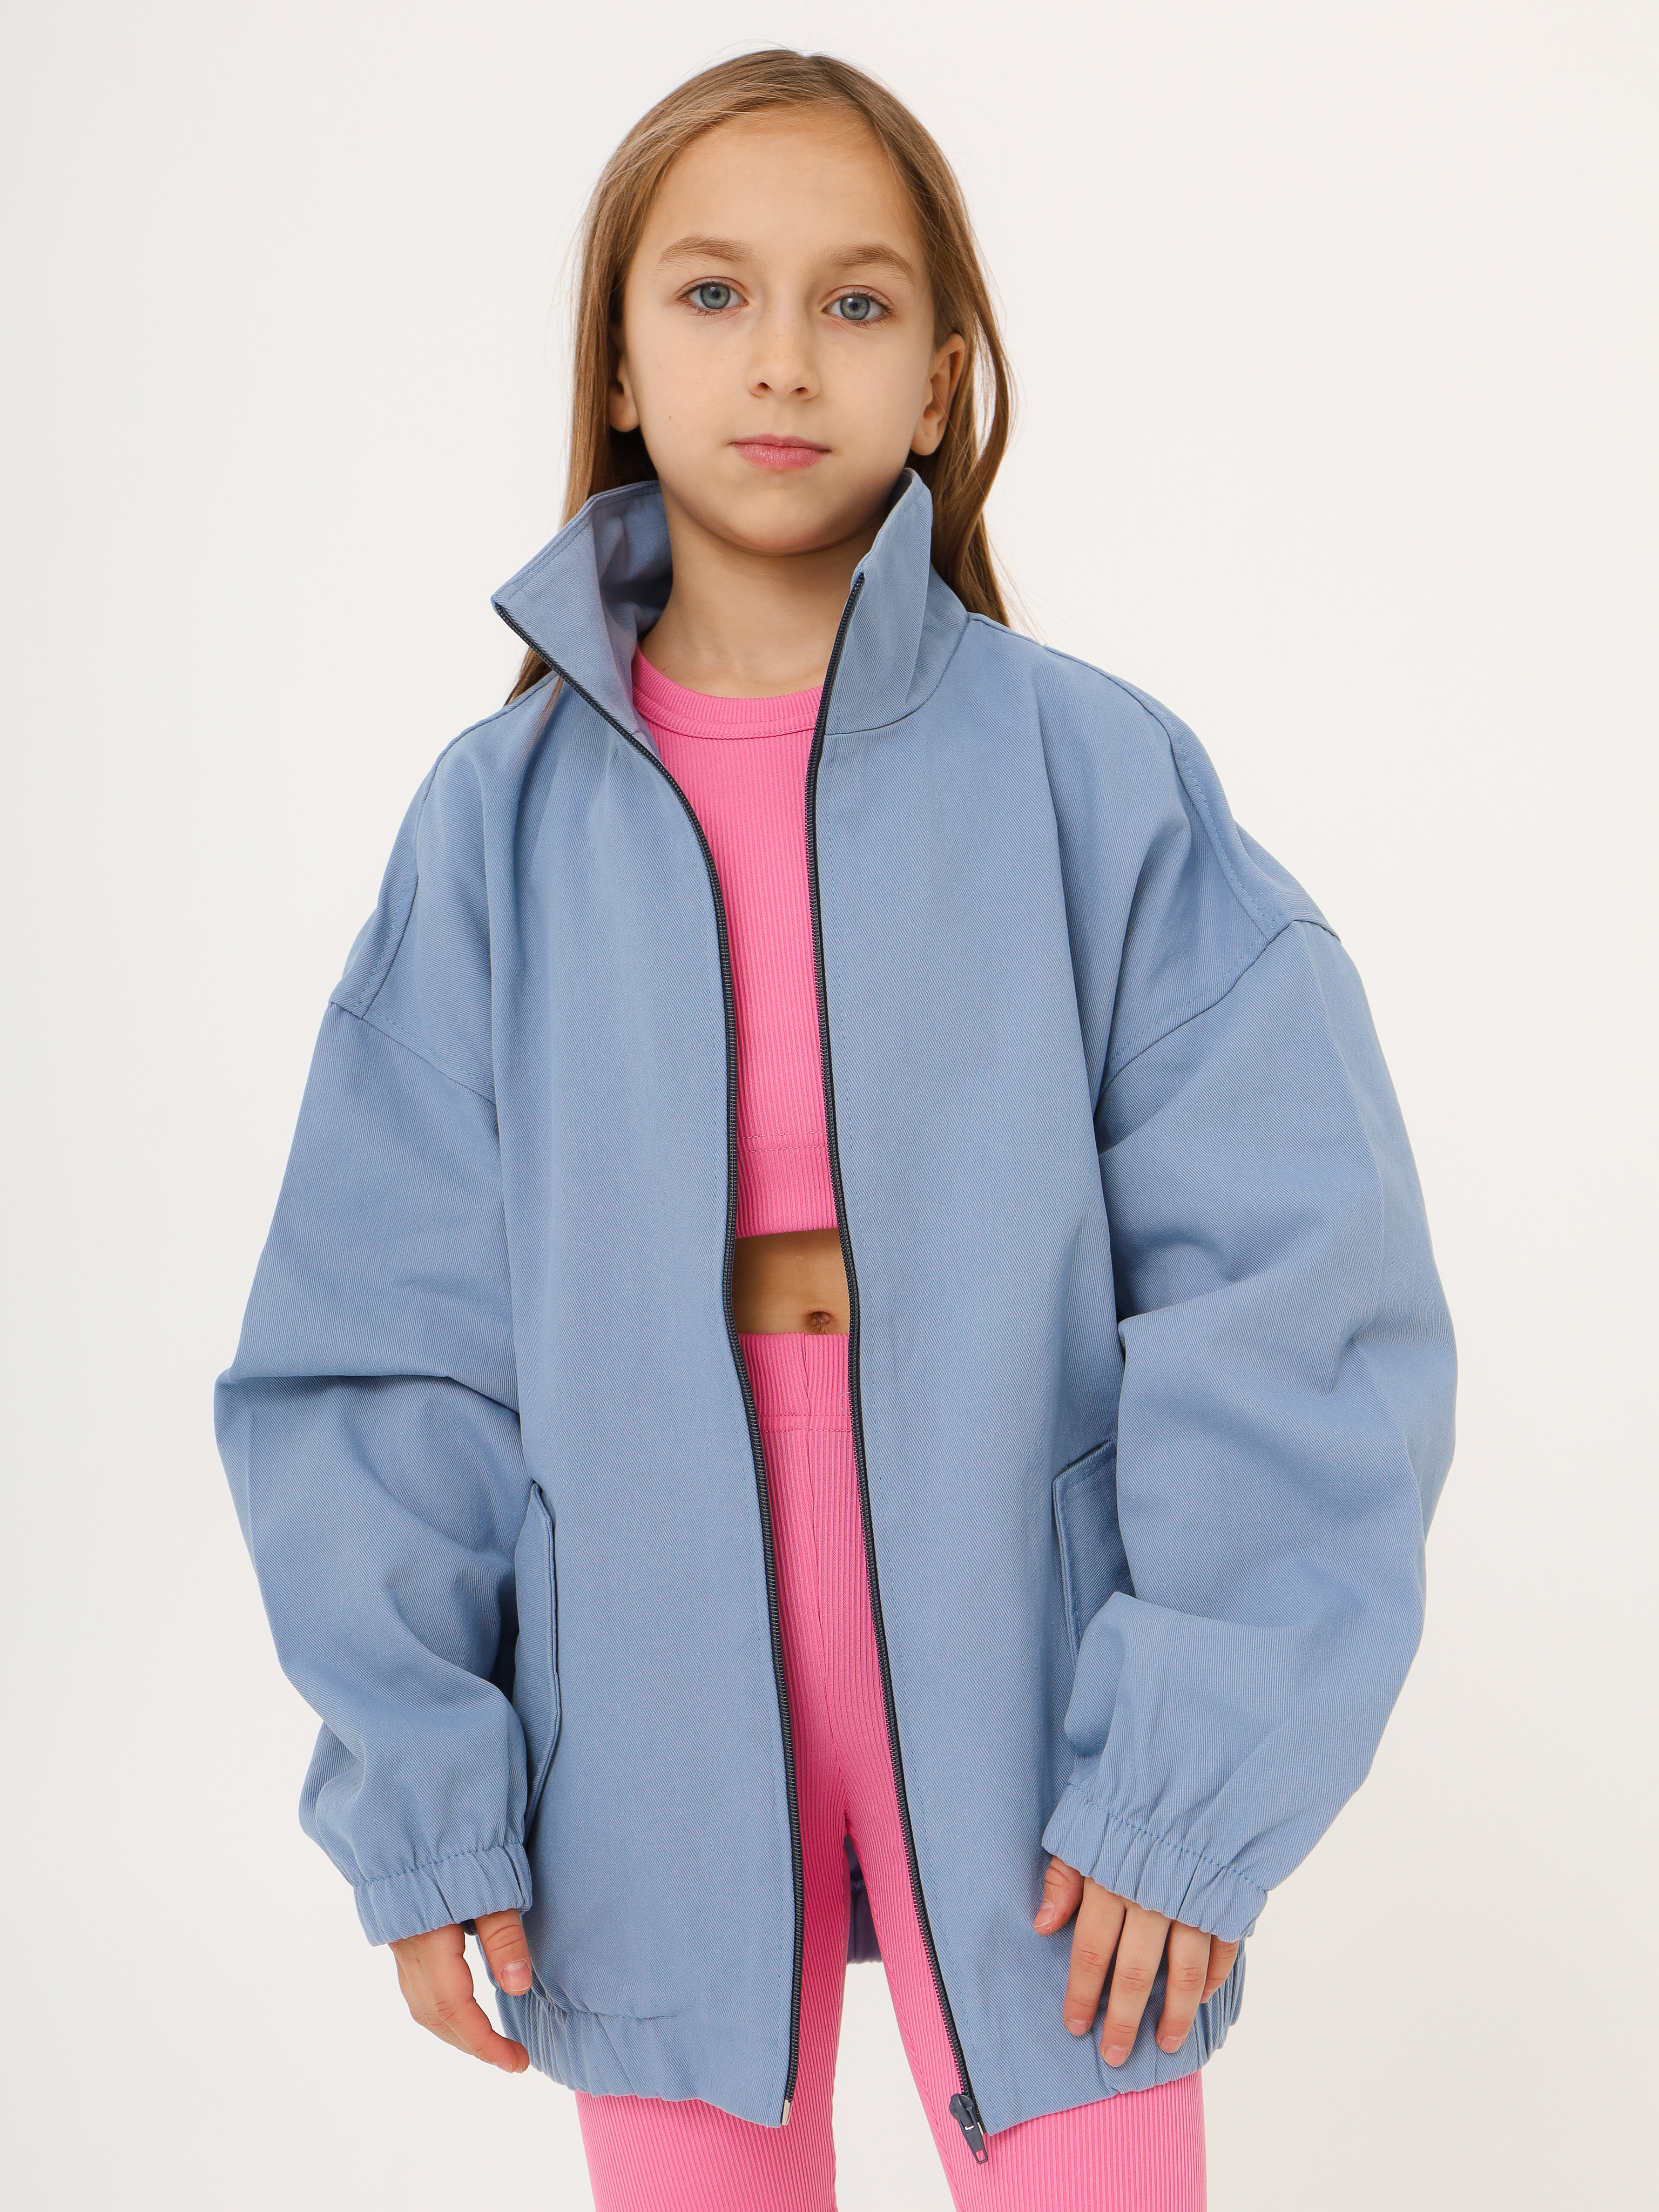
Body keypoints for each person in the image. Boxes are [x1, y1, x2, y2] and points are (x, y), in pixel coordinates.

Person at [215, 48, 1456, 2212]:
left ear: (944, 376)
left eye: (857, 303)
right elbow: (383, 1335)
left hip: (1032, 1639)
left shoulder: (1095, 778)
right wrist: (427, 1786)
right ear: (618, 362)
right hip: (639, 1666)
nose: (783, 357)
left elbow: (1294, 1278)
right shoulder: (493, 834)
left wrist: (1190, 1769)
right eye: (712, 294)